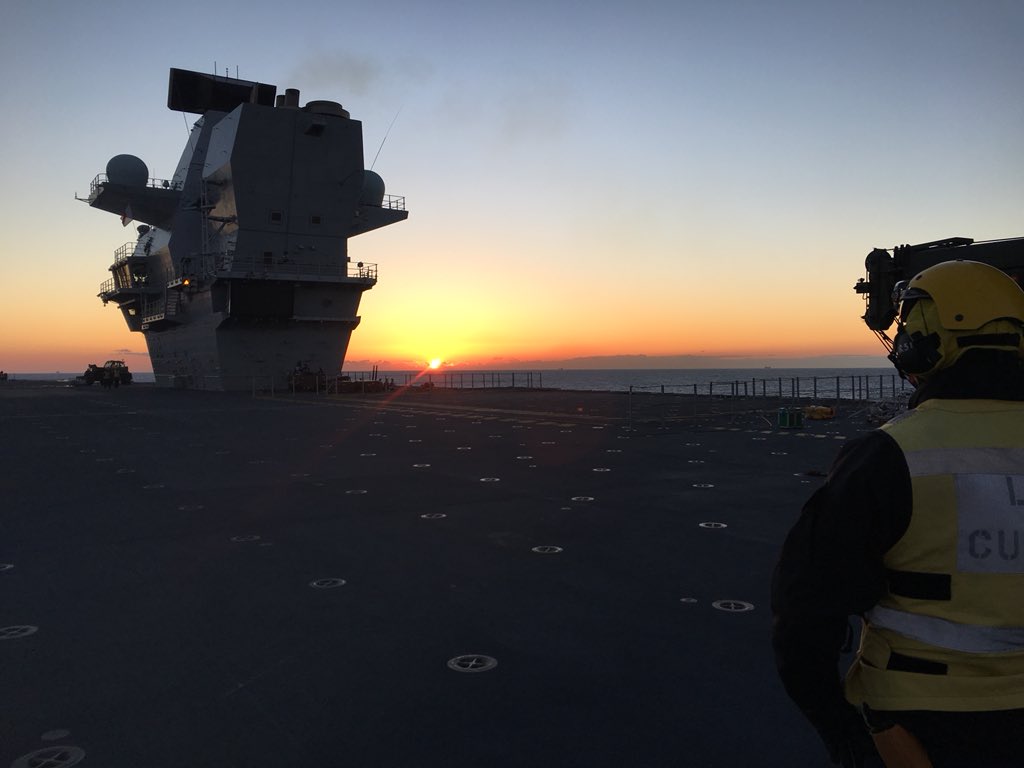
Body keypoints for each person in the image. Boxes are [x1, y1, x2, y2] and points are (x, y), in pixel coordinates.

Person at [771, 259, 1024, 767]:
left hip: (912, 724)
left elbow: (803, 618)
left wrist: (841, 732)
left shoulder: (889, 456)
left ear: (932, 336)